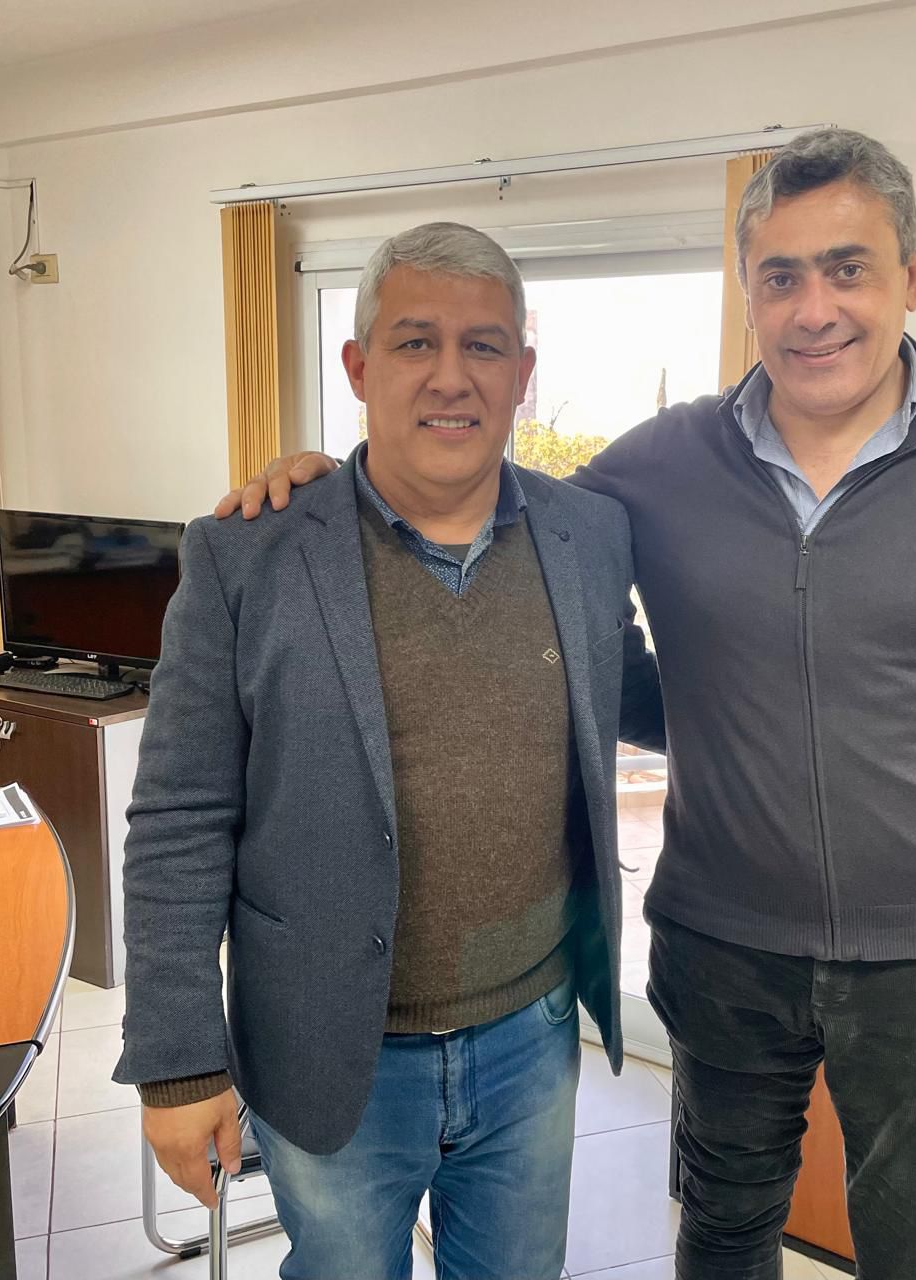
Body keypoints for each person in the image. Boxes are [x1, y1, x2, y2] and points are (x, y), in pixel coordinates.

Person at [225, 128, 916, 1280]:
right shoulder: (659, 464)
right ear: (747, 291)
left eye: (846, 268)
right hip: (723, 945)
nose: (812, 309)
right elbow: (485, 524)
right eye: (779, 276)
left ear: (910, 275)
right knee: (720, 1233)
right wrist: (327, 486)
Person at [115, 221, 662, 1280]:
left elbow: (637, 696)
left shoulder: (589, 535)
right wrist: (177, 1061)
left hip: (532, 1036)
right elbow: (179, 817)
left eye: (483, 345)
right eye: (415, 342)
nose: (450, 376)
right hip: (330, 1049)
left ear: (522, 374)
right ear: (359, 367)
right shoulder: (248, 552)